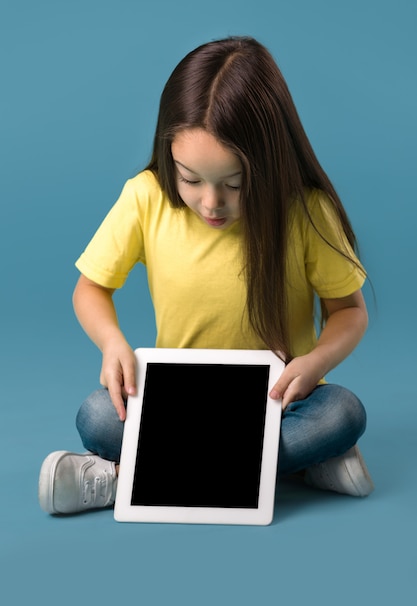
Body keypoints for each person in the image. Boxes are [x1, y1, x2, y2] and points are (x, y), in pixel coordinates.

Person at [38, 36, 374, 516]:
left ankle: (129, 474)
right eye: (191, 179)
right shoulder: (145, 197)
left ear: (272, 164)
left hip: (276, 405)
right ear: (167, 153)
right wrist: (113, 343)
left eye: (235, 183)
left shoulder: (306, 211)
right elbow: (91, 288)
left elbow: (349, 312)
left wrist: (317, 362)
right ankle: (297, 466)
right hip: (177, 412)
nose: (211, 203)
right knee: (96, 416)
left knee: (341, 412)